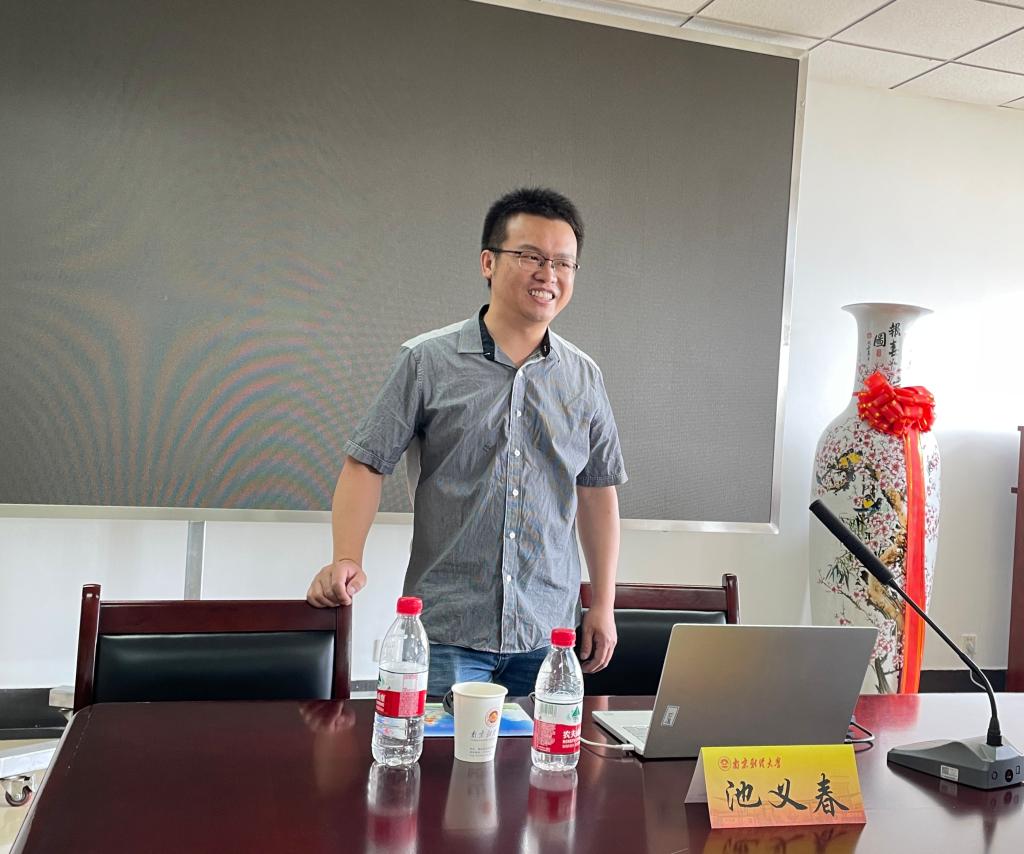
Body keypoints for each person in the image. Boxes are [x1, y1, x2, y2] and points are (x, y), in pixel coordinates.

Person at [307, 187, 627, 697]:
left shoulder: (584, 377)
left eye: (563, 262)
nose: (548, 274)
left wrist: (603, 605)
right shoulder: (426, 361)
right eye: (531, 256)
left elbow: (597, 491)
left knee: (546, 753)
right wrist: (347, 556)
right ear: (488, 262)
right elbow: (366, 463)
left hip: (549, 635)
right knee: (437, 752)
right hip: (447, 631)